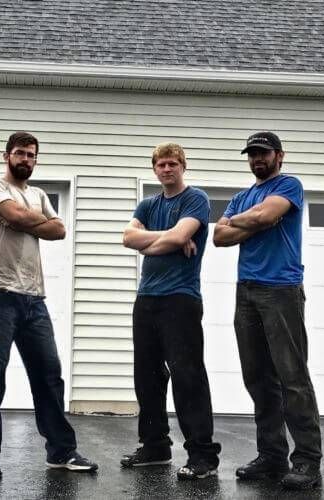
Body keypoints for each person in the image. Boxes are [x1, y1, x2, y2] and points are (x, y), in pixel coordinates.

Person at [0, 131, 97, 477]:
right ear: (7, 156)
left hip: (34, 298)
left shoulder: (38, 194)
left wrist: (27, 219)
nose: (25, 159)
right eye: (20, 153)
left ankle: (61, 451)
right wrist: (32, 221)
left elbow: (59, 230)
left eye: (31, 155)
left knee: (49, 376)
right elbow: (18, 218)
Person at [213, 131, 322, 490]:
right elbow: (219, 237)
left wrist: (242, 221)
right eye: (252, 154)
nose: (257, 159)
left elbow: (266, 216)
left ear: (279, 155)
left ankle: (307, 461)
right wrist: (253, 219)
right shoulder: (242, 196)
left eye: (264, 153)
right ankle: (272, 456)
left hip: (281, 290)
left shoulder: (289, 185)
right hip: (246, 291)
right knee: (258, 378)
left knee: (293, 378)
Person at [120, 142, 221, 480]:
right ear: (154, 169)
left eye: (172, 164)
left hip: (181, 298)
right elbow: (127, 238)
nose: (166, 169)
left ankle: (203, 455)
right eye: (161, 164)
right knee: (147, 376)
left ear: (182, 166)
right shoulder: (148, 204)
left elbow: (172, 238)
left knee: (187, 376)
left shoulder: (196, 199)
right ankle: (155, 447)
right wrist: (171, 237)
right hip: (146, 299)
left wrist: (155, 242)